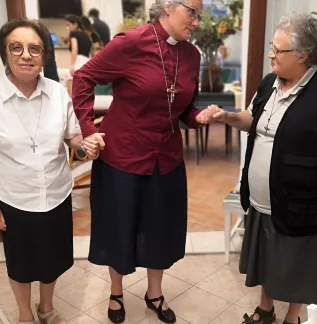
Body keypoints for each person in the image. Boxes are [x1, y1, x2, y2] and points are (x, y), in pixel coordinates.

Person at [206, 12, 317, 324]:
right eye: (272, 46)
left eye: (277, 50)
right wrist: (228, 117)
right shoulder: (271, 83)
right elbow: (253, 120)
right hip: (262, 203)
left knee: (298, 269)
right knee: (268, 262)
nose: (271, 54)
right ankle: (265, 309)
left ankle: (292, 318)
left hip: (305, 207)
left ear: (302, 55)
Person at [72, 1, 213, 323]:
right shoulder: (130, 42)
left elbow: (187, 106)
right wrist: (88, 129)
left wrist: (199, 115)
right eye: (192, 12)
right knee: (119, 227)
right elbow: (83, 78)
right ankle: (116, 292)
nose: (196, 21)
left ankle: (155, 294)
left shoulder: (192, 55)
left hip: (166, 157)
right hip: (122, 155)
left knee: (160, 228)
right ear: (167, 7)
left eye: (199, 15)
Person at [0, 18, 99, 324]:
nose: (26, 55)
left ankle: (46, 308)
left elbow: (71, 136)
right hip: (13, 198)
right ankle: (24, 314)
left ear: (44, 54)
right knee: (20, 263)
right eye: (16, 47)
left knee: (53, 259)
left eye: (35, 48)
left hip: (57, 194)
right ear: (5, 52)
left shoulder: (58, 93)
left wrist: (85, 141)